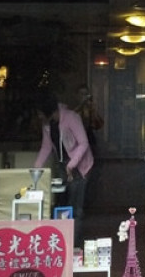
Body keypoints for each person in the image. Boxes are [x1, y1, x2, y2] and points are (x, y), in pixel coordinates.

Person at [33, 90, 93, 247]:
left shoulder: (71, 118)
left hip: (79, 166)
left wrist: (72, 164)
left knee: (76, 207)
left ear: (48, 111)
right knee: (62, 204)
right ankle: (61, 241)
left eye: (40, 113)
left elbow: (83, 143)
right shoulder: (47, 124)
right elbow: (46, 147)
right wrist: (36, 169)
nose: (39, 116)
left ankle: (73, 244)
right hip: (62, 165)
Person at [73, 86, 104, 155]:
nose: (84, 97)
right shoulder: (73, 106)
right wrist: (81, 105)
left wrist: (93, 110)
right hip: (75, 137)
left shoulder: (89, 107)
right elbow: (71, 116)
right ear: (77, 95)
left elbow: (99, 124)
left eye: (86, 94)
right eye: (82, 94)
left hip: (89, 136)